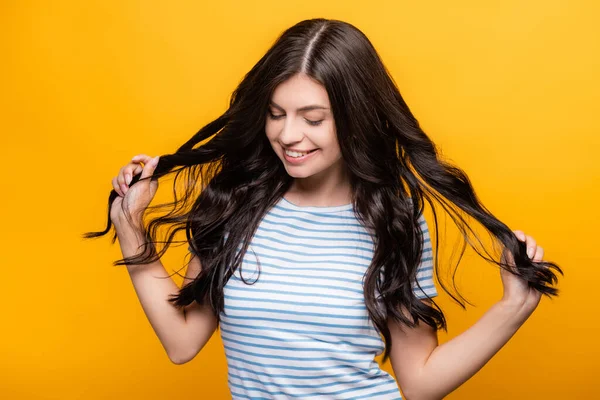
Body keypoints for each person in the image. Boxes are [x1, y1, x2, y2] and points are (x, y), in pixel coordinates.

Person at [84, 18, 562, 399]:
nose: (289, 135)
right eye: (276, 114)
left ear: (356, 119)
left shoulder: (394, 222)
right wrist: (130, 226)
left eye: (313, 118)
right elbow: (181, 342)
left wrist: (512, 307)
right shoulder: (237, 208)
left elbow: (418, 382)